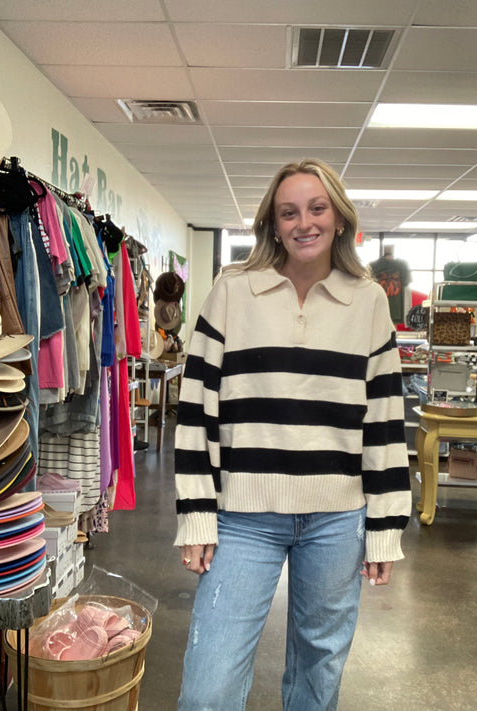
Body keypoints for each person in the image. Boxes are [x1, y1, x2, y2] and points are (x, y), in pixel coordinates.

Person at [174, 158, 412, 711]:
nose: (304, 222)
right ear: (273, 224)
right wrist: (196, 514)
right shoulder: (233, 291)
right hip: (242, 520)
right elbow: (196, 410)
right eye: (289, 212)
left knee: (317, 679)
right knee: (208, 688)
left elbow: (384, 422)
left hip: (336, 520)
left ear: (340, 219)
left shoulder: (369, 301)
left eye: (317, 208)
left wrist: (384, 527)